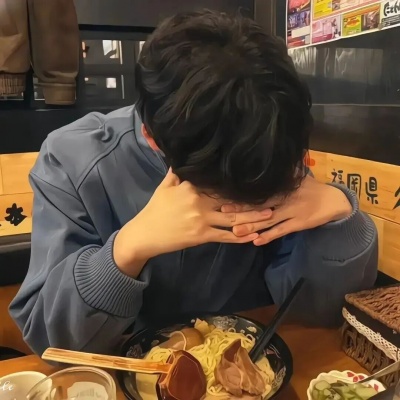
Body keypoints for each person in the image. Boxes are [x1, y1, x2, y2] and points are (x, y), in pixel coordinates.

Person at [10, 10, 377, 356]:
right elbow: (50, 343)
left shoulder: (268, 142)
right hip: (128, 374)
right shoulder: (73, 159)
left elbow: (318, 314)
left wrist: (338, 220)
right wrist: (128, 248)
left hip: (254, 360)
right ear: (152, 136)